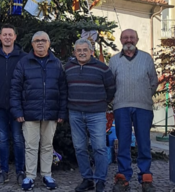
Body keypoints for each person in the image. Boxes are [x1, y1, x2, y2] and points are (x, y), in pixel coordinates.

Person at [10, 31, 67, 191]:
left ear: (49, 44)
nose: (40, 43)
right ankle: (29, 176)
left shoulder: (56, 64)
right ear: (32, 44)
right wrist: (18, 111)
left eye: (43, 40)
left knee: (48, 145)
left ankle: (47, 175)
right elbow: (15, 89)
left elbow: (63, 90)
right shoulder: (23, 63)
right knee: (30, 146)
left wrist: (62, 113)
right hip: (29, 113)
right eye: (37, 41)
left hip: (51, 112)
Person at [109, 29, 158, 192]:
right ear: (120, 40)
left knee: (144, 142)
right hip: (121, 106)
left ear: (137, 39)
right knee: (123, 142)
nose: (128, 40)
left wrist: (143, 96)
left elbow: (154, 81)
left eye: (131, 37)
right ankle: (123, 177)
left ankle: (146, 177)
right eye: (125, 37)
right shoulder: (114, 60)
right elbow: (110, 84)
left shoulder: (146, 58)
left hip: (143, 106)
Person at [65, 38, 116, 192]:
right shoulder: (68, 68)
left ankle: (100, 180)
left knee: (99, 148)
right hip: (75, 113)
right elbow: (64, 88)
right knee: (80, 148)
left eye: (84, 50)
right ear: (74, 52)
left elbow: (111, 88)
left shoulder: (102, 68)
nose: (81, 53)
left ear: (91, 52)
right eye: (78, 50)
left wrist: (101, 103)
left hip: (96, 114)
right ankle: (87, 179)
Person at [0, 24, 26, 185]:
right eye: (5, 35)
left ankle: (20, 171)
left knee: (18, 139)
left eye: (10, 34)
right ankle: (3, 171)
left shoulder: (23, 57)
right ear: (0, 37)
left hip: (17, 107)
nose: (8, 37)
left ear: (15, 37)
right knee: (3, 139)